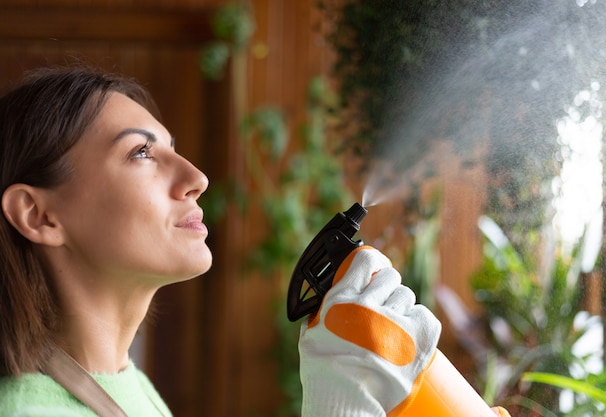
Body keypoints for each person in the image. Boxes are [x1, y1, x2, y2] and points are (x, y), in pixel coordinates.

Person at [0, 66, 509, 417]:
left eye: (172, 149)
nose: (196, 177)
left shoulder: (124, 384)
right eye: (140, 154)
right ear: (39, 214)